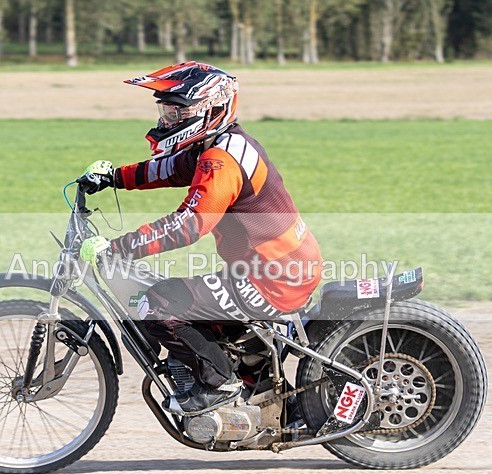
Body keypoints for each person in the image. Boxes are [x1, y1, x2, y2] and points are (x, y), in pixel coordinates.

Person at [78, 62, 322, 416]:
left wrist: (116, 248)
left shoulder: (221, 160)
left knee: (157, 303)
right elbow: (169, 168)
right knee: (191, 305)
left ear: (212, 109)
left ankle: (219, 383)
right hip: (280, 267)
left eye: (177, 111)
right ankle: (257, 383)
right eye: (165, 110)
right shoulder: (221, 143)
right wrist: (114, 177)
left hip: (274, 279)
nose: (167, 120)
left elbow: (188, 225)